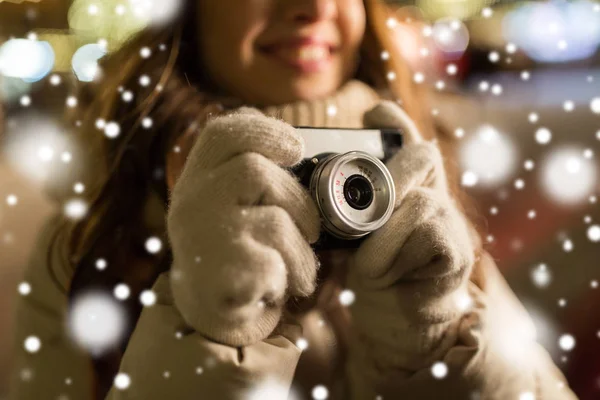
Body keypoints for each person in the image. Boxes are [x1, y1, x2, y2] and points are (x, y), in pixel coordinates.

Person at [9, 0, 578, 399]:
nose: (313, 6)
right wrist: (207, 336)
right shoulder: (95, 238)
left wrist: (440, 342)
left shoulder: (424, 185)